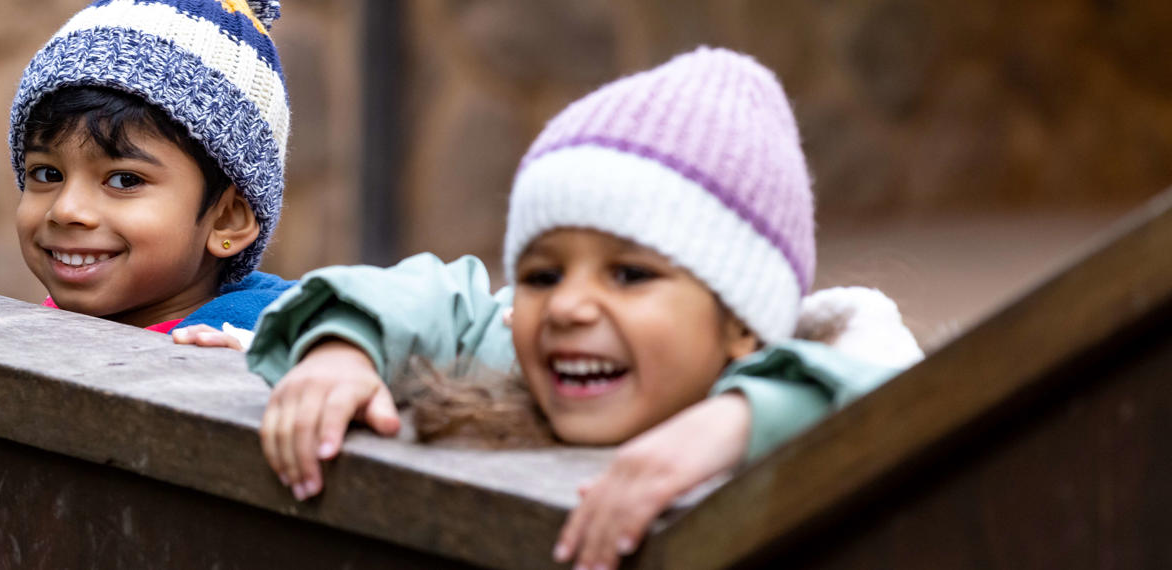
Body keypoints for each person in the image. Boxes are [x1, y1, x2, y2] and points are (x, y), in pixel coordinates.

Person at [237, 47, 922, 569]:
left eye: (628, 273)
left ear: (742, 321)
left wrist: (737, 422)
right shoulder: (521, 350)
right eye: (542, 273)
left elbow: (912, 399)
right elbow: (438, 296)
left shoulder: (819, 369)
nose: (566, 306)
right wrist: (343, 349)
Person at [0, 0, 295, 334]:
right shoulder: (66, 324)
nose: (66, 210)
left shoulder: (270, 337)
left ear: (227, 219)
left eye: (124, 180)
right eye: (47, 174)